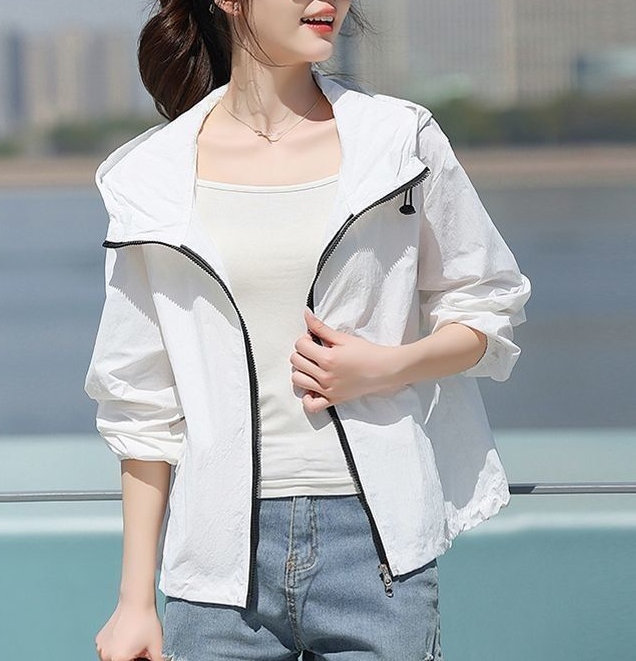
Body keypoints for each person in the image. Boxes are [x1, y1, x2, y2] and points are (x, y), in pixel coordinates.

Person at [85, 1, 531, 659]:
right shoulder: (151, 176)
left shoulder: (398, 141)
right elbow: (140, 402)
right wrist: (134, 601)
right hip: (216, 566)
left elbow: (488, 304)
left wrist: (386, 365)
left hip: (375, 549)